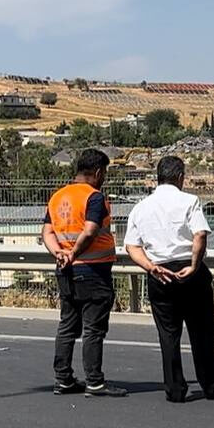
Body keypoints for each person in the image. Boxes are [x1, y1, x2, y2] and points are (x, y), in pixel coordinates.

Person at [124, 156, 214, 403]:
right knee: (202, 332)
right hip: (189, 272)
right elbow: (199, 234)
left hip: (160, 274)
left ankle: (175, 389)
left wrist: (151, 267)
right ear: (180, 177)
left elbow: (131, 246)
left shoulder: (141, 207)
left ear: (158, 177)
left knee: (168, 334)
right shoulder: (190, 201)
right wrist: (194, 265)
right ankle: (209, 385)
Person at [42, 148, 128, 398]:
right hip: (92, 271)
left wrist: (60, 253)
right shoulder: (94, 197)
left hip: (65, 270)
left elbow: (46, 232)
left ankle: (63, 379)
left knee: (67, 326)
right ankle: (94, 381)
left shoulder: (58, 197)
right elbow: (90, 231)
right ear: (99, 172)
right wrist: (75, 253)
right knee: (93, 328)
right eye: (105, 173)